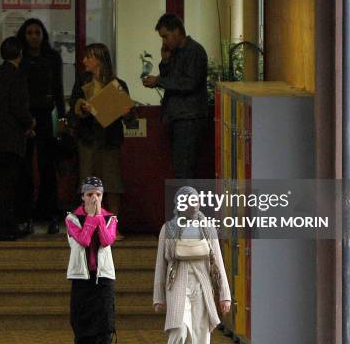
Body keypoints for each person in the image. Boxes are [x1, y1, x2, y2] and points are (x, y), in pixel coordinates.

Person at [153, 186, 231, 344]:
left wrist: (224, 294)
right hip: (177, 283)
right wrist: (158, 297)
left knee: (200, 336)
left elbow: (218, 263)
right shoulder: (168, 229)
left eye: (195, 200)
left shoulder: (208, 228)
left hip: (202, 286)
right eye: (187, 201)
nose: (192, 204)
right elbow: (161, 265)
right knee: (179, 330)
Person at [69, 43, 133, 234]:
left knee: (112, 184)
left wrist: (126, 111)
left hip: (109, 140)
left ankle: (111, 228)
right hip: (88, 139)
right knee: (88, 185)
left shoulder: (117, 84)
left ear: (98, 59)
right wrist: (82, 107)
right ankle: (89, 228)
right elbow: (73, 106)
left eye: (88, 57)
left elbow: (129, 116)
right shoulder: (82, 83)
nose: (84, 61)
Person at [66, 176, 118, 344]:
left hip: (103, 279)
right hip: (81, 278)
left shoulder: (110, 218)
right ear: (82, 196)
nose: (94, 199)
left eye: (98, 195)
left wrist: (97, 218)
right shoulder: (72, 219)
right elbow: (84, 240)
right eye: (89, 195)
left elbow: (106, 241)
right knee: (82, 326)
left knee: (104, 327)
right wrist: (90, 218)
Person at [142, 14, 208, 180]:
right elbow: (170, 77)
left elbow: (188, 83)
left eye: (166, 36)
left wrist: (158, 81)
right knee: (180, 167)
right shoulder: (175, 52)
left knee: (185, 169)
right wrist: (165, 61)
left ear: (177, 31)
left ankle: (188, 204)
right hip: (177, 117)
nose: (164, 42)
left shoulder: (195, 51)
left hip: (189, 117)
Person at [16, 18, 66, 235]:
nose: (34, 36)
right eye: (29, 33)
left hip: (46, 115)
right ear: (23, 36)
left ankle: (50, 213)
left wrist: (63, 118)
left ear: (43, 35)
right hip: (25, 116)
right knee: (24, 167)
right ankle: (25, 213)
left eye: (37, 32)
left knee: (48, 166)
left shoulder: (52, 58)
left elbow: (58, 88)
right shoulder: (21, 59)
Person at [0, 37, 35, 241]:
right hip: (10, 139)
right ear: (20, 54)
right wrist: (30, 123)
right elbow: (18, 108)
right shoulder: (17, 77)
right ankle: (2, 227)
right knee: (8, 185)